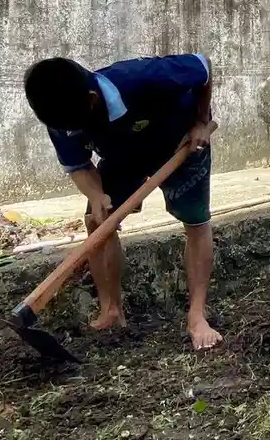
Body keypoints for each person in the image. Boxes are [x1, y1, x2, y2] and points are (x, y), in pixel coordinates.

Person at [22, 55, 222, 350]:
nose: (68, 133)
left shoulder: (142, 78)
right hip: (122, 157)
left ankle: (197, 317)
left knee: (195, 221)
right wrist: (96, 195)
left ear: (91, 100)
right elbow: (79, 166)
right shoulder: (59, 116)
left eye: (74, 126)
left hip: (181, 144)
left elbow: (203, 67)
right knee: (96, 221)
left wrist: (201, 122)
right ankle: (111, 311)